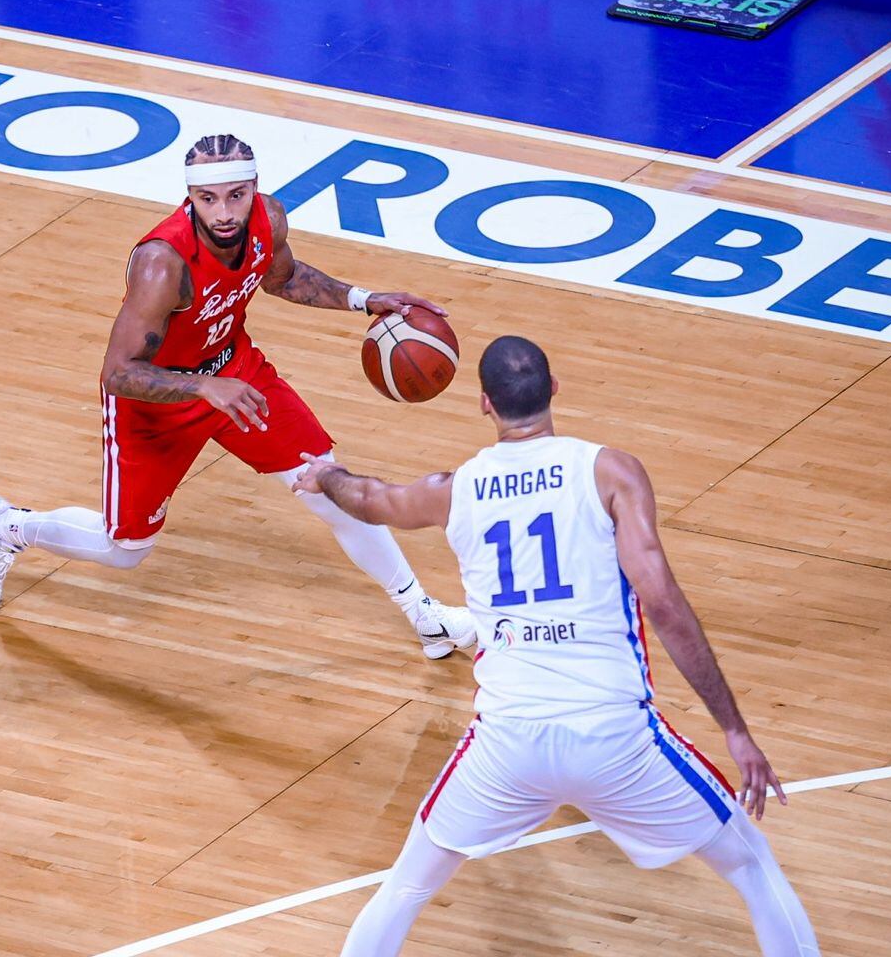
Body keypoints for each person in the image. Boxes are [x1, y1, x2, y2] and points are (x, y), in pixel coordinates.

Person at [293, 336, 819, 956]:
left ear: (484, 403)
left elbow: (372, 500)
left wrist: (325, 475)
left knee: (406, 889)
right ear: (554, 390)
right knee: (752, 869)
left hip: (507, 741)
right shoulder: (610, 472)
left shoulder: (455, 489)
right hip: (615, 737)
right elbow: (665, 605)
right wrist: (733, 728)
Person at [0, 134, 474, 659]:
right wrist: (203, 386)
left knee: (325, 481)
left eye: (235, 196)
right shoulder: (163, 263)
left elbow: (286, 277)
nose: (224, 212)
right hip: (155, 401)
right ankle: (4, 528)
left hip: (235, 370)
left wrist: (364, 299)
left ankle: (425, 615)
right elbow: (117, 373)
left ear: (255, 189)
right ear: (190, 197)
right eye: (208, 200)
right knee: (125, 549)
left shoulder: (268, 220)